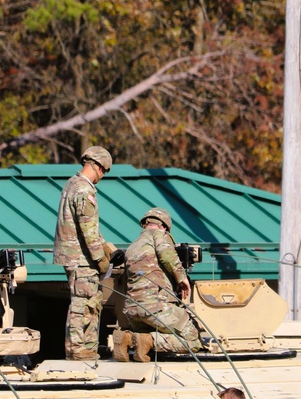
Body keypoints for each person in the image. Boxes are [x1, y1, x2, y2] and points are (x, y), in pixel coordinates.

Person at [53, 146, 123, 360]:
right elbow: (88, 229)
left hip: (74, 256)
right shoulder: (84, 190)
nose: (103, 175)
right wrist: (101, 259)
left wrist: (108, 249)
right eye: (105, 171)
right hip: (81, 258)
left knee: (89, 302)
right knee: (83, 303)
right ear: (99, 167)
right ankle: (78, 349)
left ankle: (86, 349)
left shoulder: (71, 184)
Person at [116, 207, 202, 362]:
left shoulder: (133, 245)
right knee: (192, 338)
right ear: (164, 226)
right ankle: (150, 341)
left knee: (144, 336)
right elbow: (166, 255)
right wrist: (182, 279)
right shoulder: (159, 235)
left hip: (132, 311)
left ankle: (128, 338)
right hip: (155, 307)